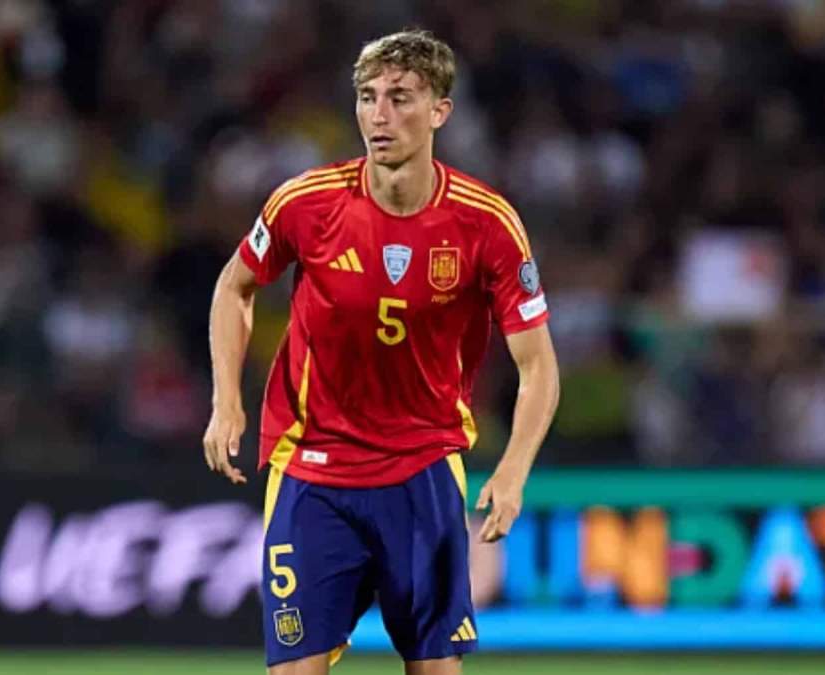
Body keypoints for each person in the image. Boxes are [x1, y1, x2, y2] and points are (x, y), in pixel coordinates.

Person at [203, 29, 560, 675]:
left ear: (440, 111)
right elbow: (235, 286)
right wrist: (226, 399)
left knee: (434, 667)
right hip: (314, 467)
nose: (379, 115)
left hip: (422, 466)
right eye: (368, 98)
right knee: (293, 670)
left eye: (400, 98)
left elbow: (538, 365)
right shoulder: (305, 204)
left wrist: (511, 471)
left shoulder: (487, 223)